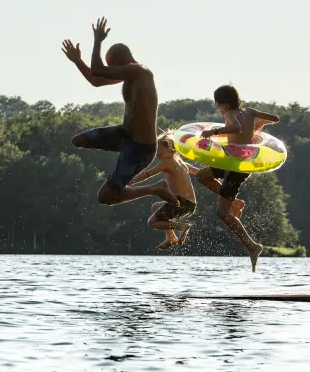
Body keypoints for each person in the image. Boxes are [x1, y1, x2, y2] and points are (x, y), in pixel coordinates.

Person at [60, 17, 179, 208]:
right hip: (123, 135)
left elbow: (98, 71)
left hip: (140, 148)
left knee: (105, 197)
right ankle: (119, 175)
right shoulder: (128, 74)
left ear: (122, 61)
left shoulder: (139, 72)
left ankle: (156, 188)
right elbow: (96, 80)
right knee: (79, 141)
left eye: (112, 66)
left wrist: (98, 40)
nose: (112, 71)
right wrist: (77, 61)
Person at [197, 84, 280, 272]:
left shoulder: (229, 114)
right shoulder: (249, 111)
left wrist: (213, 132)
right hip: (232, 162)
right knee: (202, 176)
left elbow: (236, 127)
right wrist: (260, 124)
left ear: (224, 104)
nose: (219, 111)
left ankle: (252, 246)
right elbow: (275, 118)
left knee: (222, 213)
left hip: (237, 166)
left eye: (218, 106)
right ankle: (234, 203)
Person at [130, 130, 199, 250]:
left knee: (152, 222)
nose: (155, 152)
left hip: (180, 203)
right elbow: (195, 171)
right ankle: (171, 237)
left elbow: (147, 174)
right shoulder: (181, 161)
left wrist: (128, 182)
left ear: (169, 148)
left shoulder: (166, 162)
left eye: (158, 149)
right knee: (155, 206)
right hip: (191, 204)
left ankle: (182, 226)